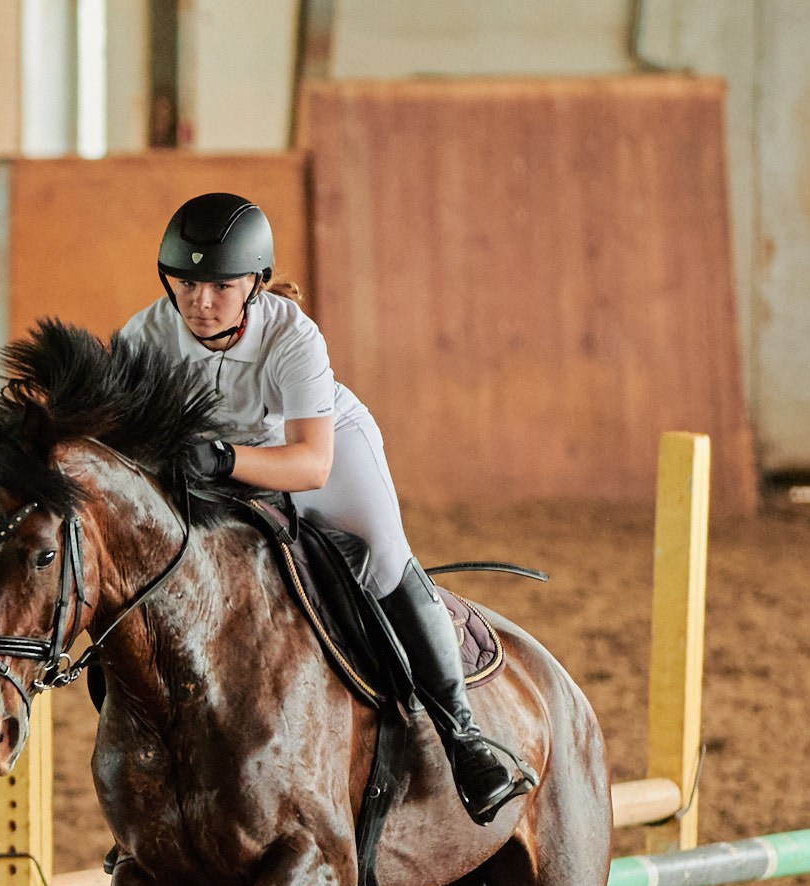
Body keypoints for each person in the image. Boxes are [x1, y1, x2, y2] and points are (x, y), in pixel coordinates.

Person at [114, 193, 532, 825]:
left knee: (385, 556)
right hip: (210, 462)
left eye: (221, 286)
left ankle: (463, 737)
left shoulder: (293, 336)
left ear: (254, 283)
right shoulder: (142, 338)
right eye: (187, 284)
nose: (200, 302)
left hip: (312, 451)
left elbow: (309, 463)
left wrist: (224, 459)